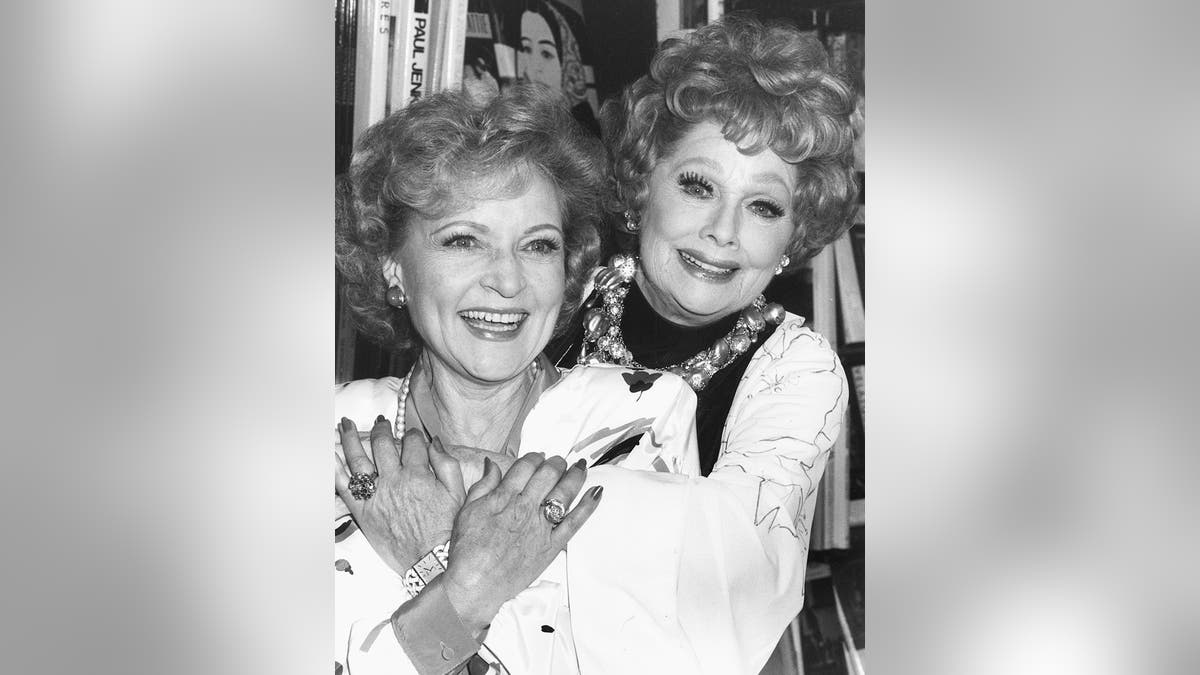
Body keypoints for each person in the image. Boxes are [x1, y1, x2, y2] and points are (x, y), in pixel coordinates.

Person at [333, 83, 701, 674]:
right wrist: (463, 588)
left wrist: (434, 561)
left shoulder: (637, 426)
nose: (507, 281)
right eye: (463, 241)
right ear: (392, 264)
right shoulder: (327, 437)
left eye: (537, 246)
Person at [543, 13, 860, 671]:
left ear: (791, 238)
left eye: (763, 206)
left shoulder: (798, 373)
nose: (723, 230)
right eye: (699, 185)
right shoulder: (547, 298)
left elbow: (728, 573)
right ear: (642, 184)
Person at [516, 0, 601, 136]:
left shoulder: (583, 126)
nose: (535, 66)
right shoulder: (522, 124)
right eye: (527, 49)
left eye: (546, 53)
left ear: (565, 61)